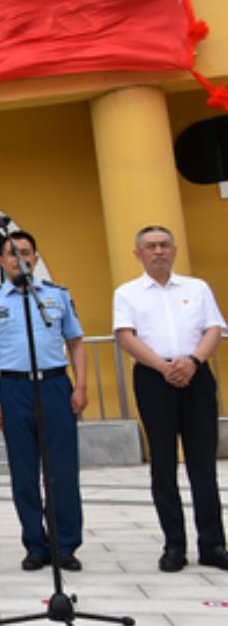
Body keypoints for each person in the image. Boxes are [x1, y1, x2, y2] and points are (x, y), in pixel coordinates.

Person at [112, 225, 228, 572]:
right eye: (150, 246)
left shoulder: (197, 287)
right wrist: (163, 367)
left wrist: (192, 362)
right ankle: (174, 545)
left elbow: (214, 329)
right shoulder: (127, 293)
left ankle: (213, 544)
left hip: (197, 377)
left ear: (174, 250)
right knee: (163, 464)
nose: (158, 251)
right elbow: (125, 336)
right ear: (138, 254)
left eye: (164, 245)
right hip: (153, 379)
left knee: (203, 464)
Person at [0, 230, 88, 572]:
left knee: (63, 472)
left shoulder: (57, 296)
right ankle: (35, 544)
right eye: (11, 253)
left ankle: (66, 544)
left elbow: (77, 343)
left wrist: (80, 386)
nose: (19, 259)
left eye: (25, 253)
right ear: (0, 260)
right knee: (24, 473)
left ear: (36, 258)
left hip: (55, 385)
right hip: (14, 389)